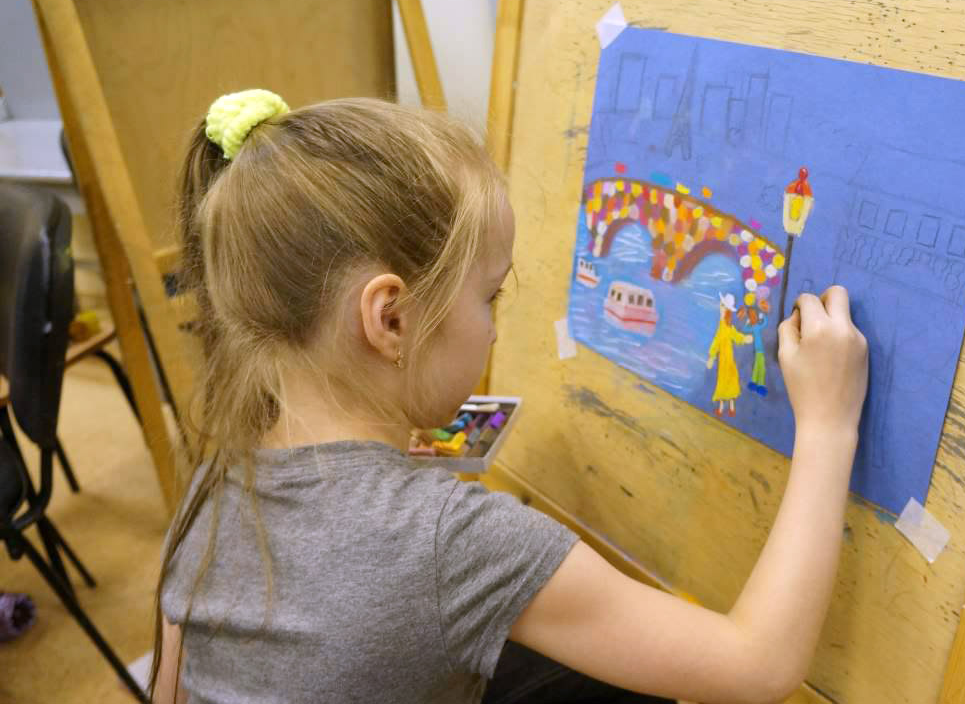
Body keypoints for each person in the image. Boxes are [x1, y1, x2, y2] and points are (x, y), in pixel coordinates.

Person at [152, 90, 869, 704]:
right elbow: (756, 663)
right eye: (489, 295)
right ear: (391, 319)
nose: (496, 327)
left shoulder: (214, 481)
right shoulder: (453, 542)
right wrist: (827, 425)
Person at [707, 293, 752, 417]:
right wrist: (744, 339)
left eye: (722, 305)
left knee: (725, 381)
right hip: (726, 358)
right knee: (728, 380)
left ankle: (724, 408)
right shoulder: (725, 325)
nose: (720, 307)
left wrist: (711, 356)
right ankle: (729, 408)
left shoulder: (724, 326)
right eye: (721, 305)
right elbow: (733, 336)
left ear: (726, 310)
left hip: (726, 358)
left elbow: (718, 341)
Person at [739, 298, 771, 396]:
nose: (753, 317)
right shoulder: (754, 326)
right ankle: (759, 384)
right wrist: (748, 321)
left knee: (759, 366)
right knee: (760, 367)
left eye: (754, 315)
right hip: (759, 350)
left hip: (759, 350)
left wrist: (763, 316)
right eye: (751, 316)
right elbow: (745, 329)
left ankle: (755, 382)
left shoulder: (756, 326)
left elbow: (764, 323)